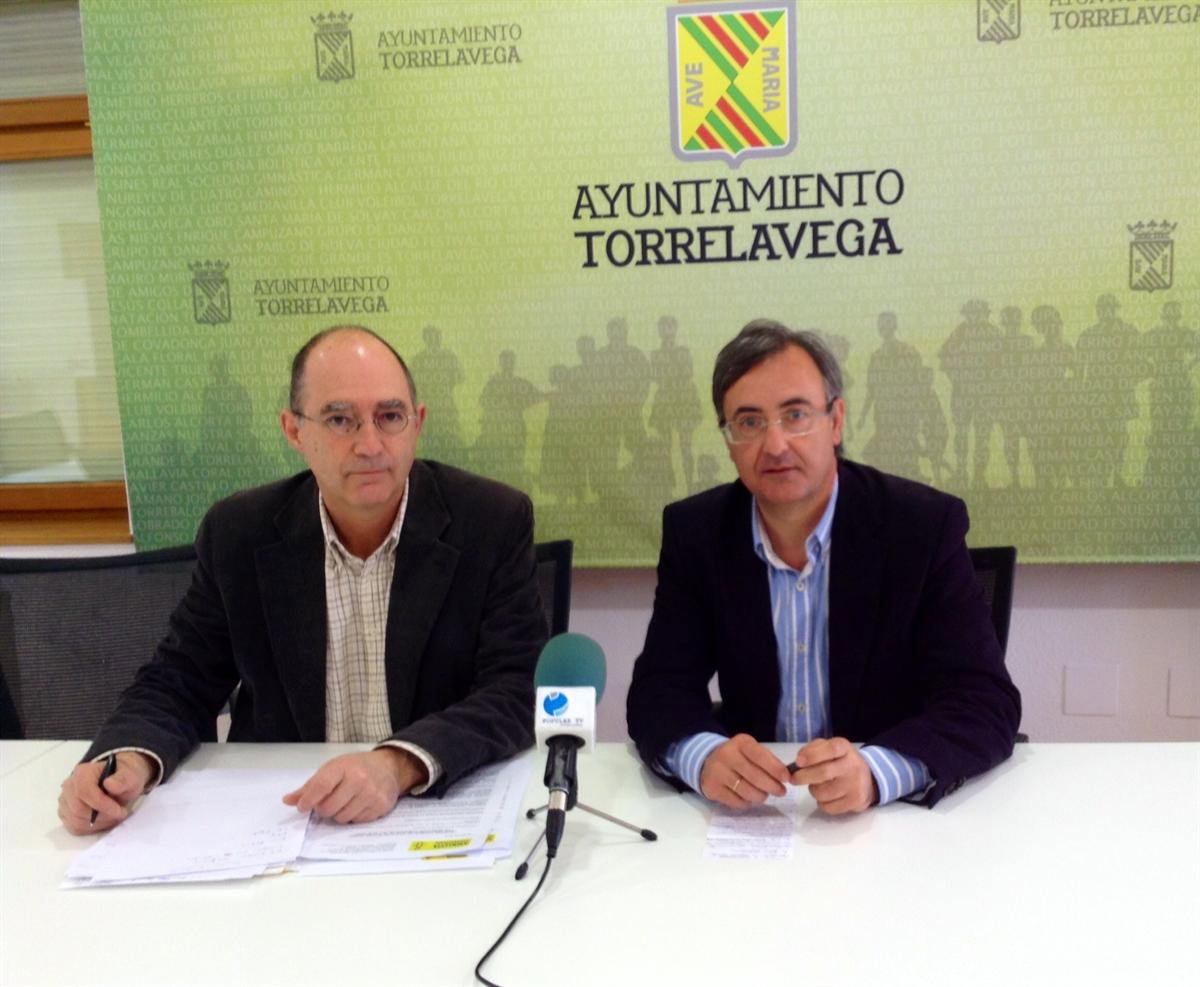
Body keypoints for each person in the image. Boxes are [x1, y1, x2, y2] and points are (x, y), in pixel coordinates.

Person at [58, 325, 547, 834]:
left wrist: (397, 764)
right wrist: (127, 759)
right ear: (294, 431)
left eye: (390, 416)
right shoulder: (239, 533)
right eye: (339, 420)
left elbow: (517, 688)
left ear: (417, 423)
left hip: (429, 811)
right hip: (284, 814)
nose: (370, 444)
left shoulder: (490, 521)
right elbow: (180, 679)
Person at [626, 319, 1021, 814]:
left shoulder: (920, 526)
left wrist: (876, 772)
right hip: (759, 814)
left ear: (836, 421)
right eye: (749, 422)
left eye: (795, 415)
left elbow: (984, 700)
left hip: (893, 817)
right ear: (728, 439)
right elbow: (658, 691)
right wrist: (703, 757)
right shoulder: (698, 533)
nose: (775, 444)